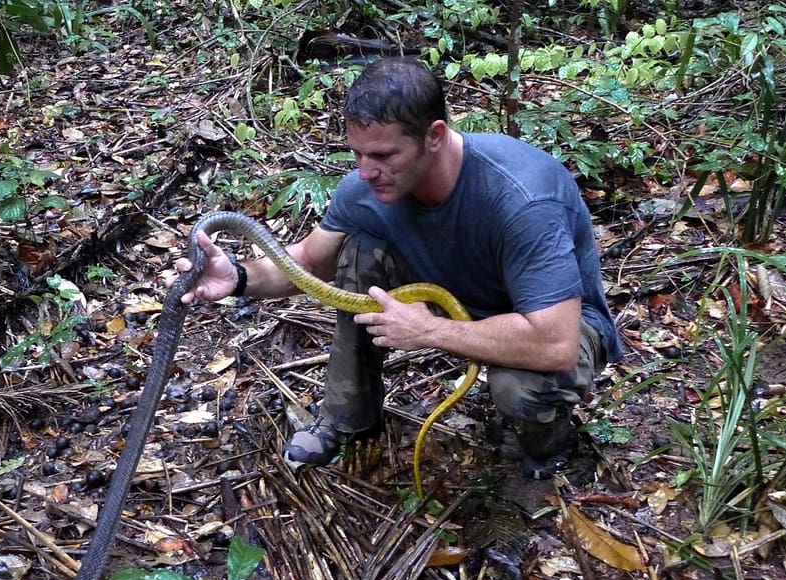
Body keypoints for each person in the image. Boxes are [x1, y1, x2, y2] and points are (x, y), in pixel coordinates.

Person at [180, 56, 622, 482]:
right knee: (359, 252)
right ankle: (349, 417)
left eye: (385, 155)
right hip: (458, 303)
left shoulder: (522, 199)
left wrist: (429, 331)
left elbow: (556, 342)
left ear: (434, 136)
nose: (367, 171)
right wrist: (236, 277)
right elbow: (310, 262)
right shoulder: (368, 188)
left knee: (519, 388)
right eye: (358, 154)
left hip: (556, 322)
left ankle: (551, 447)